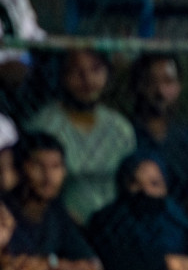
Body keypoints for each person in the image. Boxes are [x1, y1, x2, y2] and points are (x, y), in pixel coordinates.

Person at [0, 133, 102, 270]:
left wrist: (50, 267)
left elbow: (93, 269)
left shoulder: (57, 214)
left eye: (56, 167)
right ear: (20, 168)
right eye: (38, 166)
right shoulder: (4, 211)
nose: (49, 177)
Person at [26, 49, 136, 223]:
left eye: (96, 69)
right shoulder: (45, 125)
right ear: (62, 75)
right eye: (77, 71)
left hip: (116, 226)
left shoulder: (120, 128)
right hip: (60, 224)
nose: (88, 80)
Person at [128, 54, 188, 200]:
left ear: (179, 86)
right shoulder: (126, 133)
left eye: (168, 81)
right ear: (138, 85)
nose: (160, 91)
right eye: (151, 82)